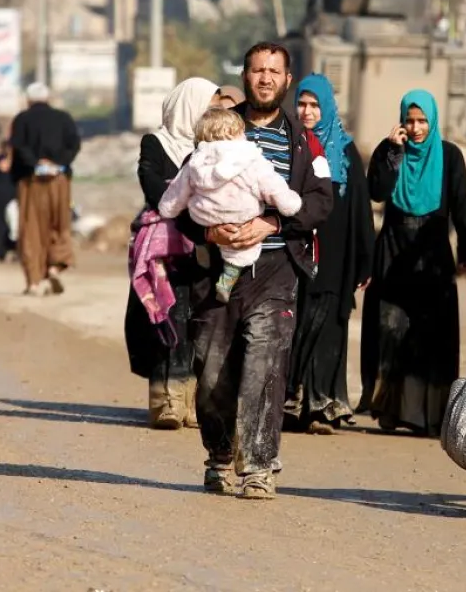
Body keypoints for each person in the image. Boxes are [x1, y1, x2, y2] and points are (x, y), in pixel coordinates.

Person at [177, 43, 333, 499]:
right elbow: (182, 195)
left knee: (265, 368)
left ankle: (260, 467)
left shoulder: (304, 142)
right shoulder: (217, 129)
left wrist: (272, 223)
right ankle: (220, 455)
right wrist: (209, 233)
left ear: (287, 80)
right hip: (217, 271)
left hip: (276, 270)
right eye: (258, 70)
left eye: (274, 71)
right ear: (244, 76)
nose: (265, 78)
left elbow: (321, 201)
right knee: (212, 372)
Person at [366, 90, 466, 435]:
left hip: (432, 254)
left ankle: (429, 416)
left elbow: (461, 204)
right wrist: (393, 154)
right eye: (409, 121)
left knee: (432, 333)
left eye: (422, 121)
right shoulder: (389, 150)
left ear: (433, 121)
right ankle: (389, 409)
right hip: (393, 251)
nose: (415, 128)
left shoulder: (449, 155)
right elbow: (377, 192)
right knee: (391, 330)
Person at [285, 74, 374, 434]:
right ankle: (291, 403)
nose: (307, 111)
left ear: (326, 108)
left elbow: (360, 210)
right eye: (302, 104)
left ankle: (321, 407)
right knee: (294, 324)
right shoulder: (287, 144)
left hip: (335, 256)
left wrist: (364, 260)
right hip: (294, 251)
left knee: (328, 328)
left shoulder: (345, 151)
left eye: (314, 105)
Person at [129, 77, 217, 431]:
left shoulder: (211, 144)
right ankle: (166, 402)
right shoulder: (156, 143)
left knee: (199, 323)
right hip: (165, 248)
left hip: (202, 244)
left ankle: (192, 404)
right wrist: (188, 201)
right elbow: (151, 185)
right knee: (168, 320)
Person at [158, 108, 304, 303]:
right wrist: (289, 203)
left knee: (209, 244)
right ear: (234, 132)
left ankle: (205, 254)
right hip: (240, 216)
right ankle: (227, 280)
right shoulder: (249, 156)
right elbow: (271, 185)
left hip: (206, 216)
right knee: (242, 251)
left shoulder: (197, 159)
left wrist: (168, 208)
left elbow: (178, 190)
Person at [10, 82, 81, 296]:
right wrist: (58, 164)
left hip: (31, 182)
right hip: (59, 181)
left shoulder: (22, 119)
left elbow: (19, 147)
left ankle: (33, 282)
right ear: (48, 98)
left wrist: (36, 164)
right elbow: (74, 144)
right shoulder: (63, 118)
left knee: (31, 229)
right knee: (59, 225)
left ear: (28, 100)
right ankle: (55, 266)